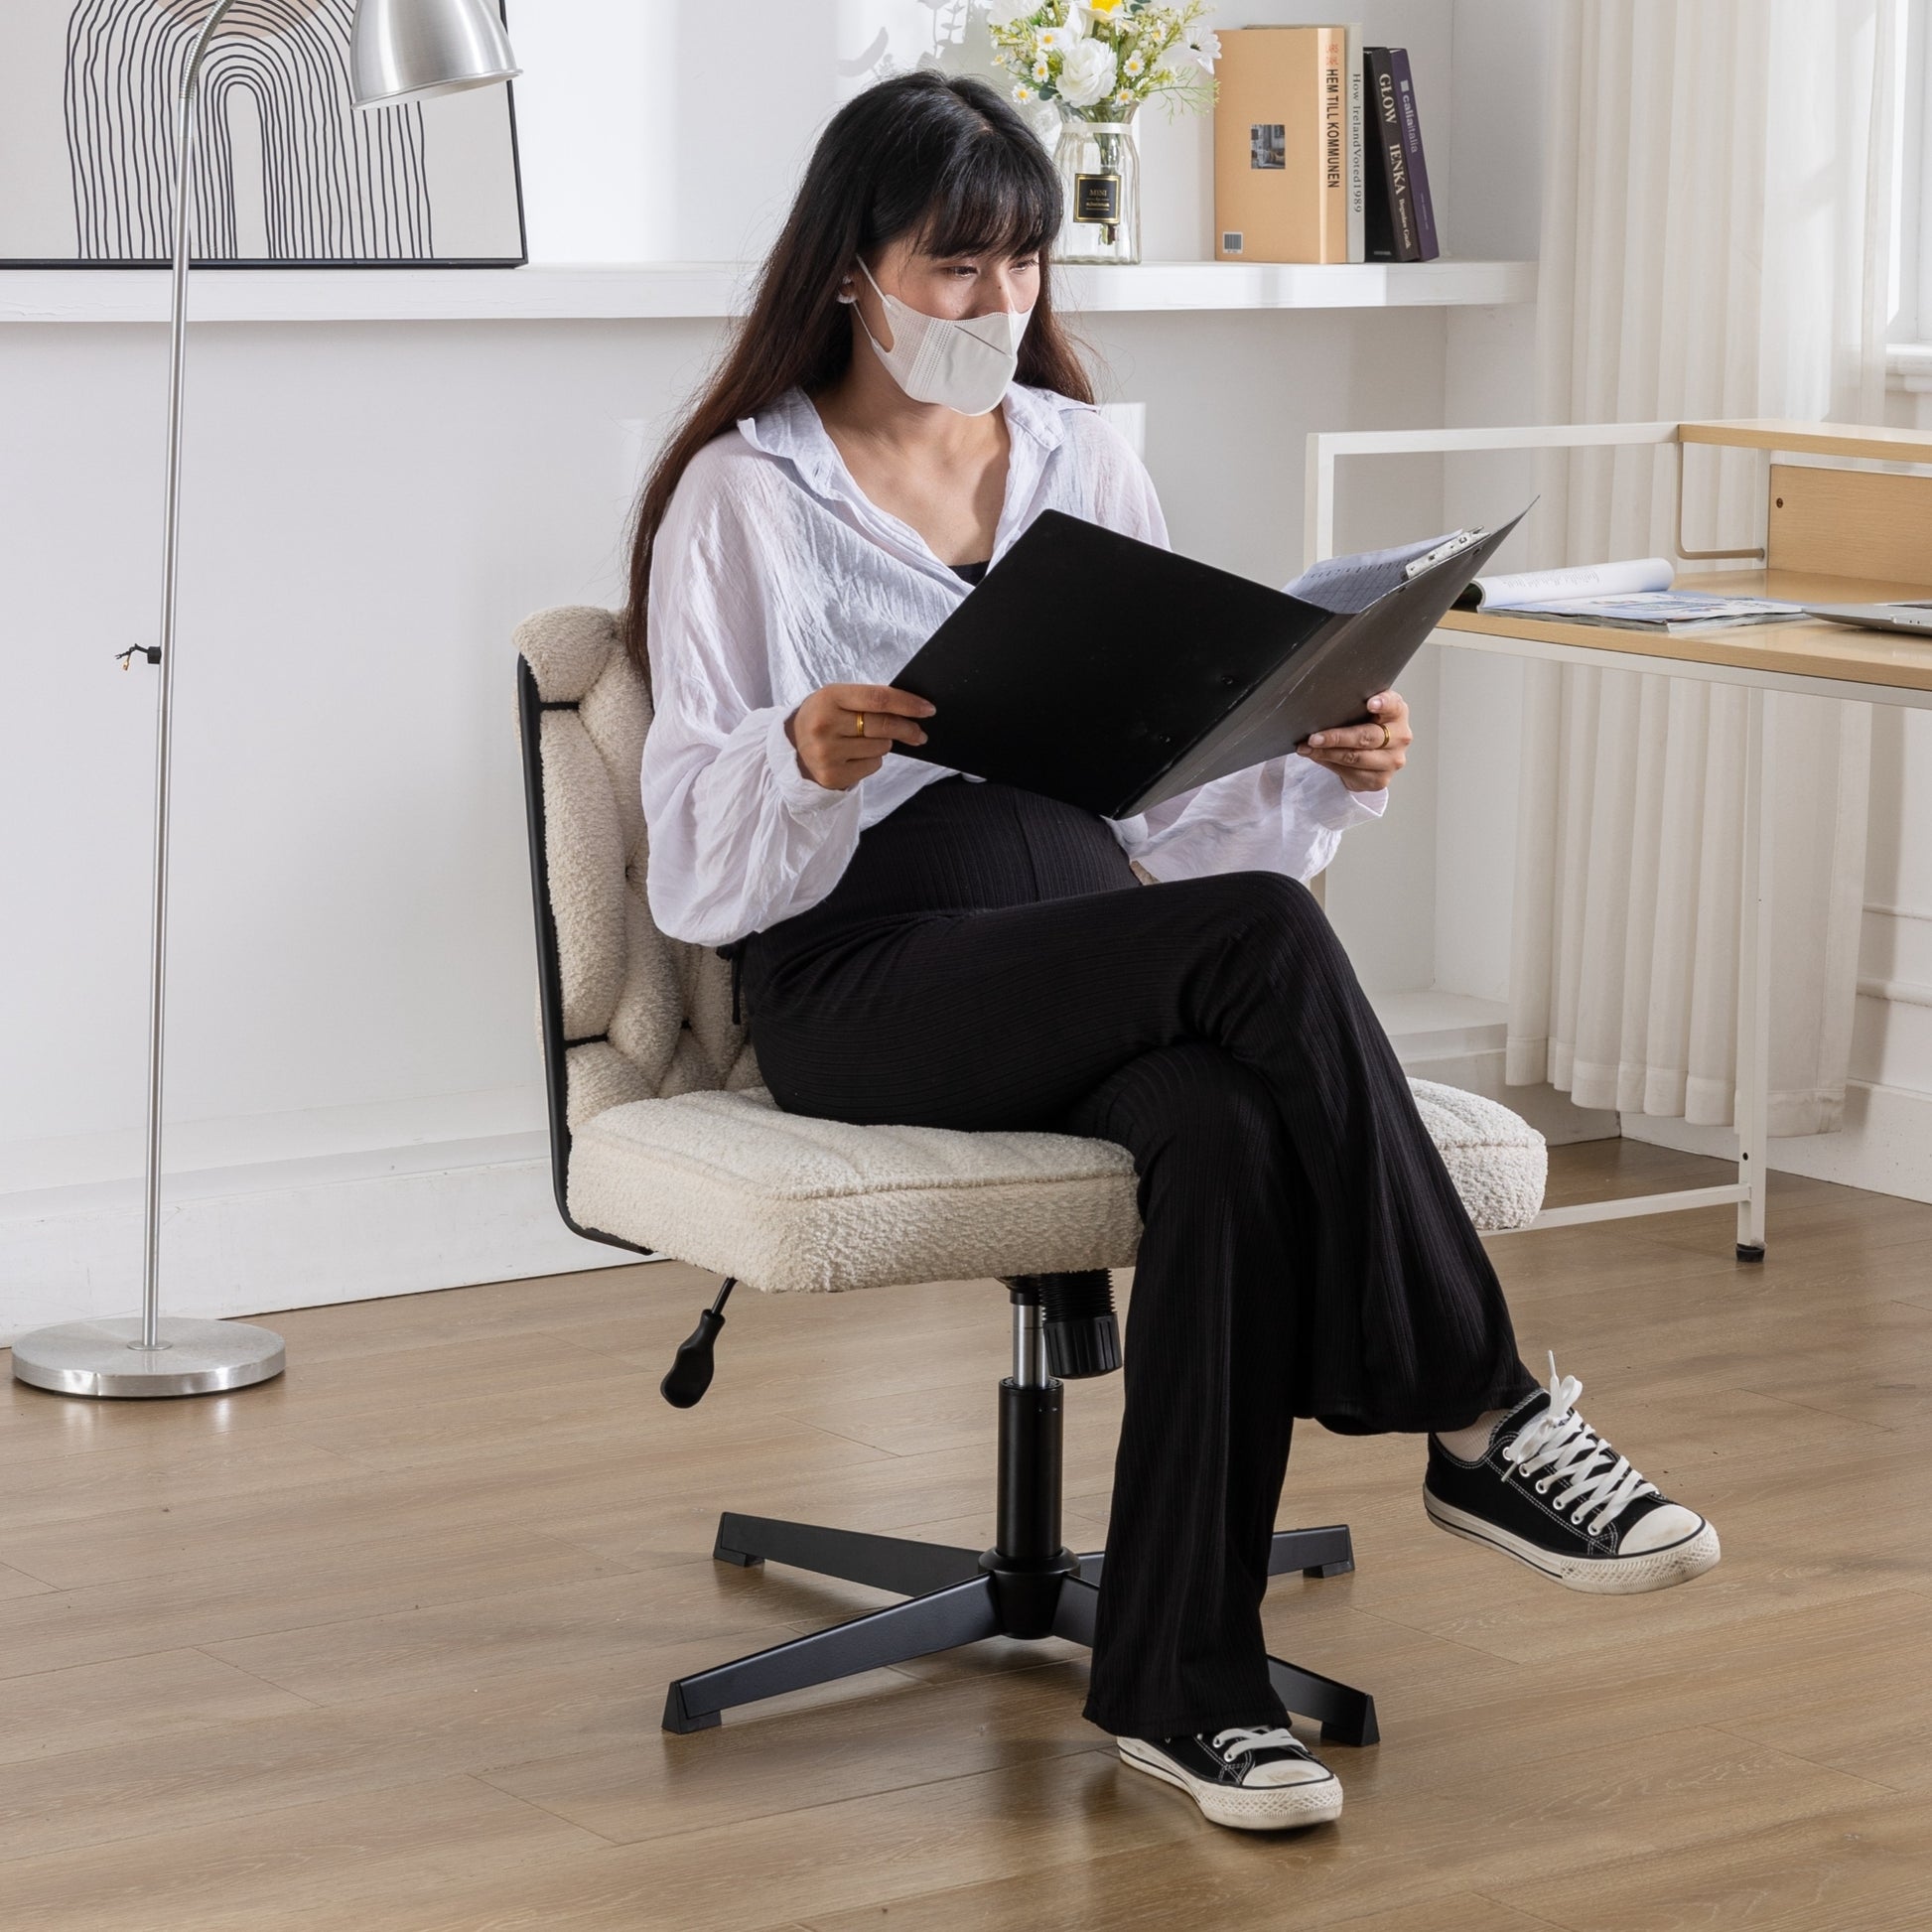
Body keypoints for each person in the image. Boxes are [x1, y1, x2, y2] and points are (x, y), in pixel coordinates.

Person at [628, 69, 1720, 1835]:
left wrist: (1314, 751)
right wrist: (796, 755)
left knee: (1221, 1123)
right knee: (1264, 937)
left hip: (1088, 931)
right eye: (954, 266)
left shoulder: (1081, 456)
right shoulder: (741, 497)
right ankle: (1478, 1404)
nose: (997, 301)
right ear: (848, 270)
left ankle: (1180, 1684)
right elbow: (691, 851)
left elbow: (1166, 788)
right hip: (869, 976)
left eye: (1023, 264)